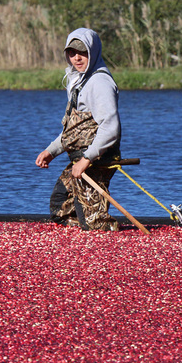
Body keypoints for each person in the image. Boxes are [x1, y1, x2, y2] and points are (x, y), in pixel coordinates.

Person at [35, 28, 122, 231]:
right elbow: (74, 129)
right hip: (80, 159)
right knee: (60, 208)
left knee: (95, 224)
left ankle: (103, 240)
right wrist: (51, 151)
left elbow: (111, 128)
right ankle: (81, 236)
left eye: (82, 52)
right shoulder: (80, 81)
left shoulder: (100, 83)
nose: (76, 58)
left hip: (97, 160)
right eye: (72, 53)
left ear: (93, 52)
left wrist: (87, 159)